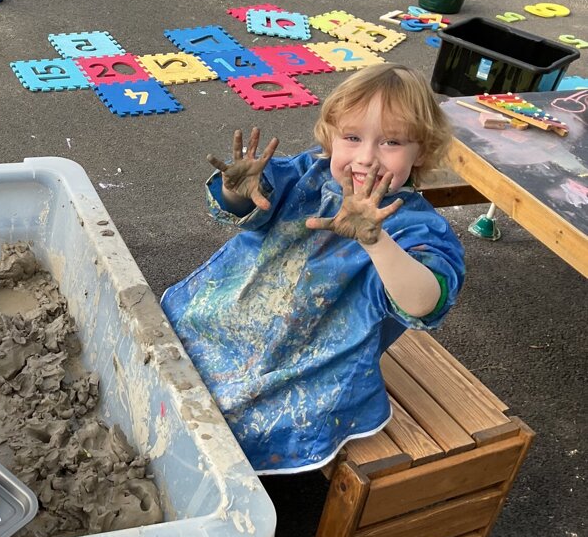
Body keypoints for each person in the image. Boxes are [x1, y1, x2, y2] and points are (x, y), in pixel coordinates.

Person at [160, 64, 465, 475]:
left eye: (391, 142)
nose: (366, 158)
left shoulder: (415, 226)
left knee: (225, 419)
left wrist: (377, 241)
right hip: (233, 315)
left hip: (310, 359)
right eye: (352, 138)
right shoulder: (307, 174)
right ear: (331, 137)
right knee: (172, 354)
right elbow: (249, 205)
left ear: (422, 152)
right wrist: (236, 189)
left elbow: (426, 302)